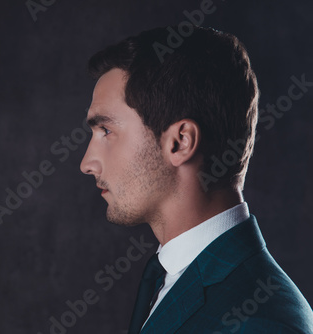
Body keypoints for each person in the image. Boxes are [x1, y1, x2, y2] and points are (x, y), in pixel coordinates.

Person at [80, 25, 313, 333]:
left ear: (180, 142)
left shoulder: (263, 323)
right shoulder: (170, 275)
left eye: (106, 131)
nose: (87, 163)